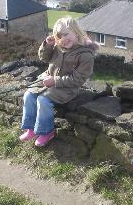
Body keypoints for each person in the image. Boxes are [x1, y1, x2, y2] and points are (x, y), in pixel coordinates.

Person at [19, 17, 97, 147]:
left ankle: (46, 132)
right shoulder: (58, 46)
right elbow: (44, 58)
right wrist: (47, 45)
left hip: (68, 88)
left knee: (43, 100)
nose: (63, 38)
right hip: (47, 79)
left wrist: (55, 81)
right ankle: (31, 129)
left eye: (66, 34)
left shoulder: (85, 55)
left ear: (76, 31)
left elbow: (78, 79)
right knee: (28, 95)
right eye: (59, 36)